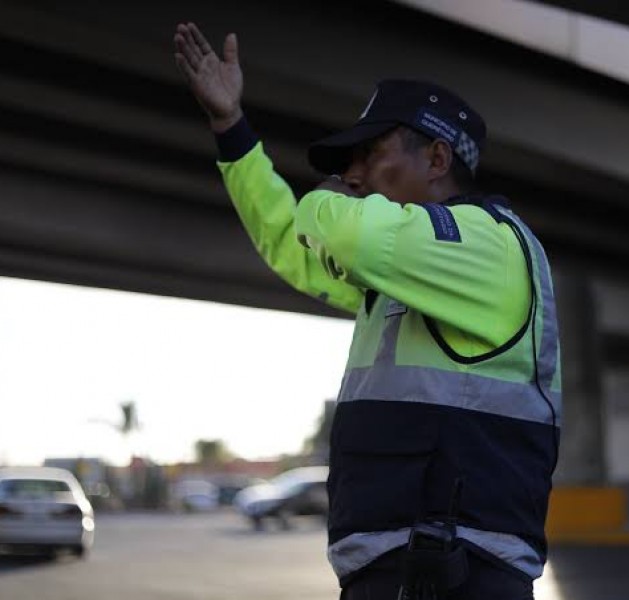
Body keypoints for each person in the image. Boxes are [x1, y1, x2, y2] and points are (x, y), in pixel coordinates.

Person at [174, 22, 561, 600]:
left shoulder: (489, 245)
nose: (352, 176)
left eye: (371, 155)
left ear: (436, 157)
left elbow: (342, 235)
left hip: (461, 569)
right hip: (395, 566)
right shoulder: (404, 276)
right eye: (349, 164)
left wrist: (324, 200)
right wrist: (232, 128)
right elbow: (290, 240)